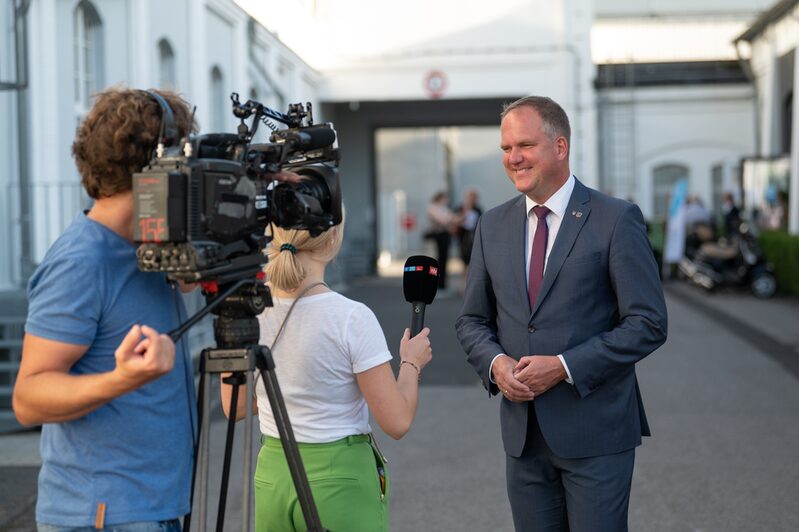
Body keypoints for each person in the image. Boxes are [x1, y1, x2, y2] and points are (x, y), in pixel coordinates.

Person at [455, 96, 668, 531]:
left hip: (597, 435)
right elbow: (472, 320)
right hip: (524, 438)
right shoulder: (492, 225)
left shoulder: (615, 219)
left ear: (560, 146)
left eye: (525, 146)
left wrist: (564, 366)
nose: (513, 158)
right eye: (505, 148)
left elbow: (648, 323)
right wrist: (496, 365)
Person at [12, 88, 198, 531]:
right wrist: (121, 380)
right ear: (157, 164)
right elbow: (28, 398)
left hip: (153, 507)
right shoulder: (82, 260)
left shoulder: (150, 247)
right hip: (105, 515)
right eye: (184, 158)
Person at [220, 217, 433, 532]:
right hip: (340, 477)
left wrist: (294, 389)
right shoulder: (351, 318)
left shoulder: (244, 310)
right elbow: (397, 421)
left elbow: (233, 406)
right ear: (333, 239)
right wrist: (411, 363)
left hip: (273, 473)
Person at [425, 190, 457, 290]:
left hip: (444, 235)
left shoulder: (443, 208)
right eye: (445, 198)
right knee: (438, 260)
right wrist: (450, 220)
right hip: (438, 235)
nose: (446, 200)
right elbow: (443, 220)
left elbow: (452, 218)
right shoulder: (433, 207)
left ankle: (442, 283)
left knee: (444, 260)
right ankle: (437, 283)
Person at [455, 187, 483, 292]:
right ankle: (463, 285)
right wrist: (465, 210)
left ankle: (469, 285)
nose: (472, 199)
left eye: (474, 197)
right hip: (463, 239)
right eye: (470, 197)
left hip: (474, 238)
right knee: (464, 262)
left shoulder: (478, 209)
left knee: (473, 262)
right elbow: (456, 222)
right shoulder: (460, 208)